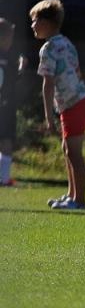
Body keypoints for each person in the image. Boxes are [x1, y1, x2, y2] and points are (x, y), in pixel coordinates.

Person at [32, 0, 85, 211]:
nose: (33, 25)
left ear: (48, 23)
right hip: (80, 100)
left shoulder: (47, 49)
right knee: (68, 149)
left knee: (74, 152)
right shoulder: (67, 43)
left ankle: (80, 201)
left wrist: (49, 117)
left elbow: (47, 85)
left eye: (36, 20)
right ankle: (71, 195)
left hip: (73, 103)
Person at [0, 17, 19, 186]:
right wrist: (20, 66)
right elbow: (12, 79)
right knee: (6, 140)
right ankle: (4, 178)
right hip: (5, 106)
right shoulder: (9, 58)